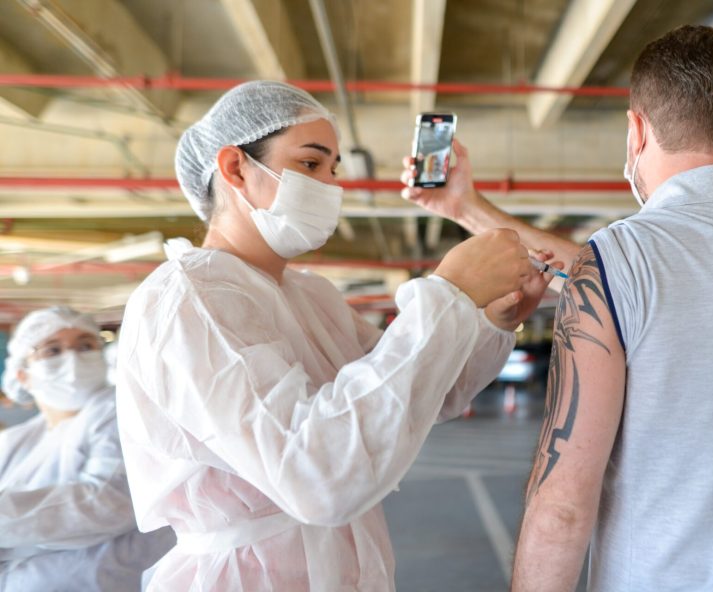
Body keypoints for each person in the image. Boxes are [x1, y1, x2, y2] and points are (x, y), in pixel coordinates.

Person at [403, 25, 713, 592]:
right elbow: (624, 280)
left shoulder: (619, 261)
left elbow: (562, 507)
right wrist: (465, 206)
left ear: (636, 130)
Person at [115, 80, 554, 591]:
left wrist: (490, 321)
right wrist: (447, 295)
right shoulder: (191, 299)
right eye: (310, 164)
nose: (329, 185)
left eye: (333, 169)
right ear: (235, 168)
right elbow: (315, 475)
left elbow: (425, 392)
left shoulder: (308, 296)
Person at [0, 306, 174, 591]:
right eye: (52, 350)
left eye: (85, 345)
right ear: (22, 375)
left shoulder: (118, 411)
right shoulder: (18, 440)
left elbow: (108, 503)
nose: (73, 359)